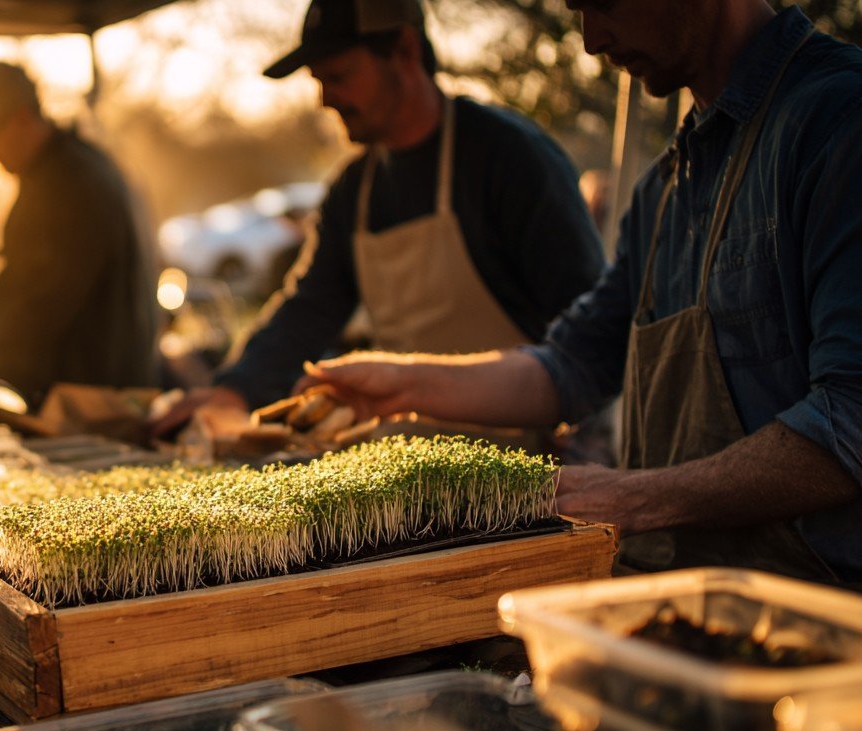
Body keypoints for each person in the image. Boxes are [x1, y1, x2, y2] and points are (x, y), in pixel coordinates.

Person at [301, 0, 862, 584]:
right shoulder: (664, 191)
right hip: (683, 601)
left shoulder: (839, 121)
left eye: (606, 3)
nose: (592, 40)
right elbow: (569, 366)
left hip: (828, 628)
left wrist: (634, 497)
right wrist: (400, 383)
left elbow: (853, 417)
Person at [151, 0, 605, 437]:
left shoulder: (510, 158)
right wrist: (234, 390)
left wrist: (584, 443)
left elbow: (590, 330)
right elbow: (309, 306)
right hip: (412, 455)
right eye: (319, 81)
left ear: (405, 51)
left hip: (532, 455)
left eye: (340, 76)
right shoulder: (354, 190)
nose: (327, 99)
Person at [0, 61, 160, 407]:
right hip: (94, 395)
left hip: (81, 404)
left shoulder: (68, 186)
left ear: (20, 118)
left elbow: (37, 308)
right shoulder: (78, 166)